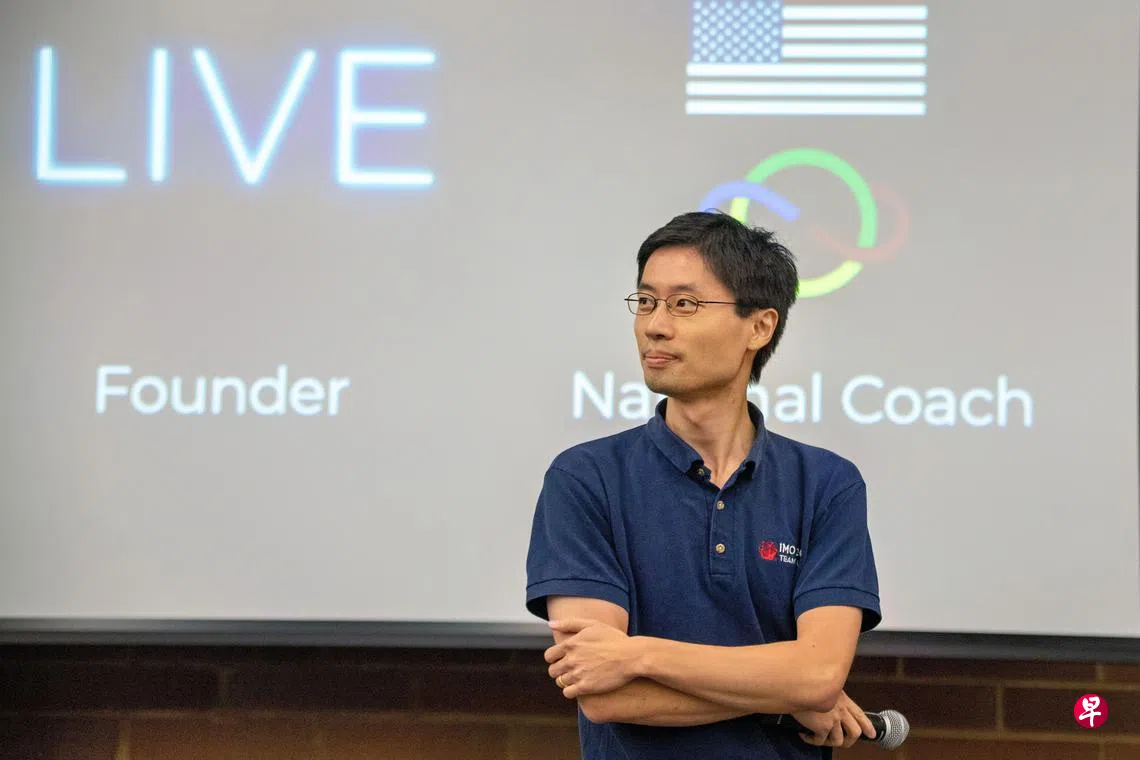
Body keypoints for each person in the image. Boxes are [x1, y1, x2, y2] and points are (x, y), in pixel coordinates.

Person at [525, 210, 882, 759]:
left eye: (684, 304)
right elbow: (603, 693)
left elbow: (817, 676)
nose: (654, 325)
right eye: (646, 301)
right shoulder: (585, 477)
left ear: (759, 327)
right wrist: (781, 697)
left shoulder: (826, 484)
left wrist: (638, 655)